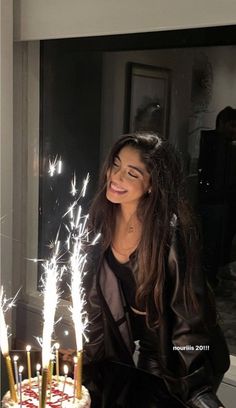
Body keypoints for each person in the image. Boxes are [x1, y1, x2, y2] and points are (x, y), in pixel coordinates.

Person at [84, 132, 230, 408]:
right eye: (116, 165)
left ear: (152, 184)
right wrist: (88, 361)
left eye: (132, 173)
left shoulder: (170, 233)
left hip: (186, 349)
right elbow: (95, 303)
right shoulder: (100, 221)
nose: (116, 177)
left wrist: (195, 387)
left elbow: (189, 317)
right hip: (150, 343)